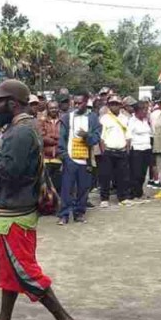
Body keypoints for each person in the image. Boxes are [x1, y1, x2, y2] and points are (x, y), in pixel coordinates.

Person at [0, 79, 79, 320]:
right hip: (12, 211)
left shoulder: (20, 132)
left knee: (24, 271)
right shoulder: (19, 128)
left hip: (16, 213)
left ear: (12, 104)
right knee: (10, 272)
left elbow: (8, 172)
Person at [57, 91, 101, 225]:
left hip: (85, 160)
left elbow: (96, 138)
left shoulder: (93, 118)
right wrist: (65, 156)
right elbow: (62, 138)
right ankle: (64, 215)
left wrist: (87, 136)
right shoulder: (67, 118)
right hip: (70, 159)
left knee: (83, 188)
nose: (76, 105)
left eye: (79, 103)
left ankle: (79, 213)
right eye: (74, 103)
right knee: (67, 188)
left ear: (86, 102)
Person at [98, 95, 132, 207]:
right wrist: (103, 152)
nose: (114, 106)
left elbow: (128, 136)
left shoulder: (125, 118)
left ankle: (123, 197)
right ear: (108, 106)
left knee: (123, 176)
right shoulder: (104, 118)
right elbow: (102, 138)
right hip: (108, 151)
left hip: (122, 150)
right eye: (112, 104)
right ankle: (104, 199)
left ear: (120, 105)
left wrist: (127, 150)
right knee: (105, 176)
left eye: (116, 104)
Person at [127, 100, 153, 200]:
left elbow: (150, 133)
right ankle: (133, 192)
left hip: (146, 148)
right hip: (136, 149)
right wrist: (128, 151)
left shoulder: (146, 120)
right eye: (144, 110)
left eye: (147, 110)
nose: (146, 112)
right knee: (135, 173)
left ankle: (140, 191)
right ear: (137, 111)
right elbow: (128, 136)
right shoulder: (132, 121)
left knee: (143, 172)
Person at [38, 101, 62, 194]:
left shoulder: (62, 121)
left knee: (58, 186)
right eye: (51, 108)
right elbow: (42, 137)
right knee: (45, 187)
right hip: (46, 158)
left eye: (55, 108)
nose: (54, 110)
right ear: (47, 109)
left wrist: (51, 136)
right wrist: (57, 141)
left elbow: (64, 136)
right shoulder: (42, 121)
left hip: (59, 158)